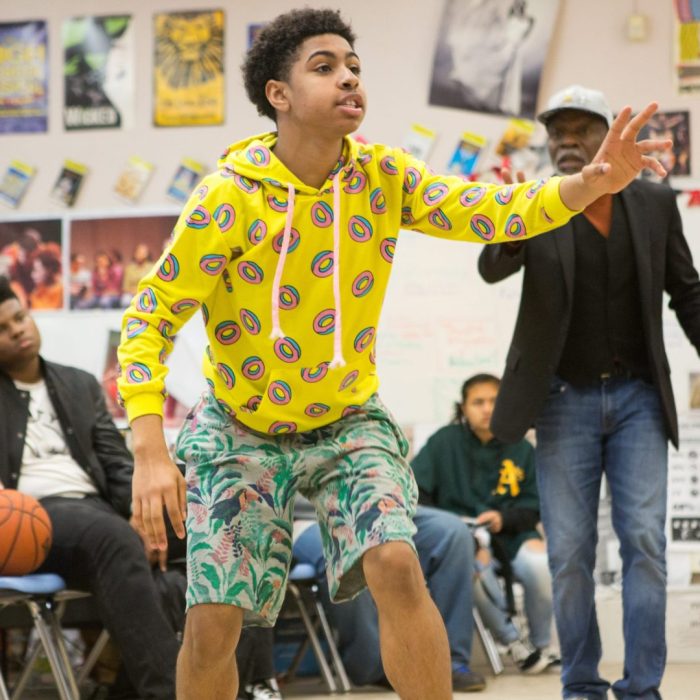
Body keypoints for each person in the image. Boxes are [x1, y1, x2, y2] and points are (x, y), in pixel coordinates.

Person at [115, 9, 669, 700]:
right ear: (278, 96)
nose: (349, 76)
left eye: (353, 65)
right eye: (325, 66)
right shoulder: (230, 197)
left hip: (347, 421)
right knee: (215, 619)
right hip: (239, 429)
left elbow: (494, 212)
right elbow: (149, 317)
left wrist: (591, 183)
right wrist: (147, 447)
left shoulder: (383, 175)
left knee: (399, 563)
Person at [478, 84, 700, 700]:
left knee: (646, 544)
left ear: (610, 135)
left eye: (581, 130)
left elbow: (687, 291)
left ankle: (642, 688)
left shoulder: (655, 203)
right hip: (560, 401)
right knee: (570, 552)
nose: (567, 143)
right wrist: (518, 210)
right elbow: (492, 266)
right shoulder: (537, 201)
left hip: (637, 401)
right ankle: (580, 683)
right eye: (557, 133)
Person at [0, 277, 183, 700]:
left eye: (20, 318)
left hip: (97, 512)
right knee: (113, 538)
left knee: (209, 534)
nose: (17, 330)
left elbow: (119, 468)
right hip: (35, 516)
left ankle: (244, 684)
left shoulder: (79, 384)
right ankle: (171, 693)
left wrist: (148, 513)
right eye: (3, 328)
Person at [411, 373, 556, 675]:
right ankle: (515, 644)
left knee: (541, 565)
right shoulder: (443, 442)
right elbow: (416, 495)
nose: (487, 409)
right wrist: (460, 531)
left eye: (494, 401)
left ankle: (541, 646)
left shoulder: (521, 447)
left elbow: (535, 505)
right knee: (471, 567)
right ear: (463, 408)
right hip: (464, 538)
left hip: (512, 535)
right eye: (478, 402)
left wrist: (504, 519)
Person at [293, 503, 486, 692]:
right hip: (306, 515)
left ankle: (451, 662)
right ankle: (374, 667)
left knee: (453, 532)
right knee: (348, 548)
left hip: (373, 502)